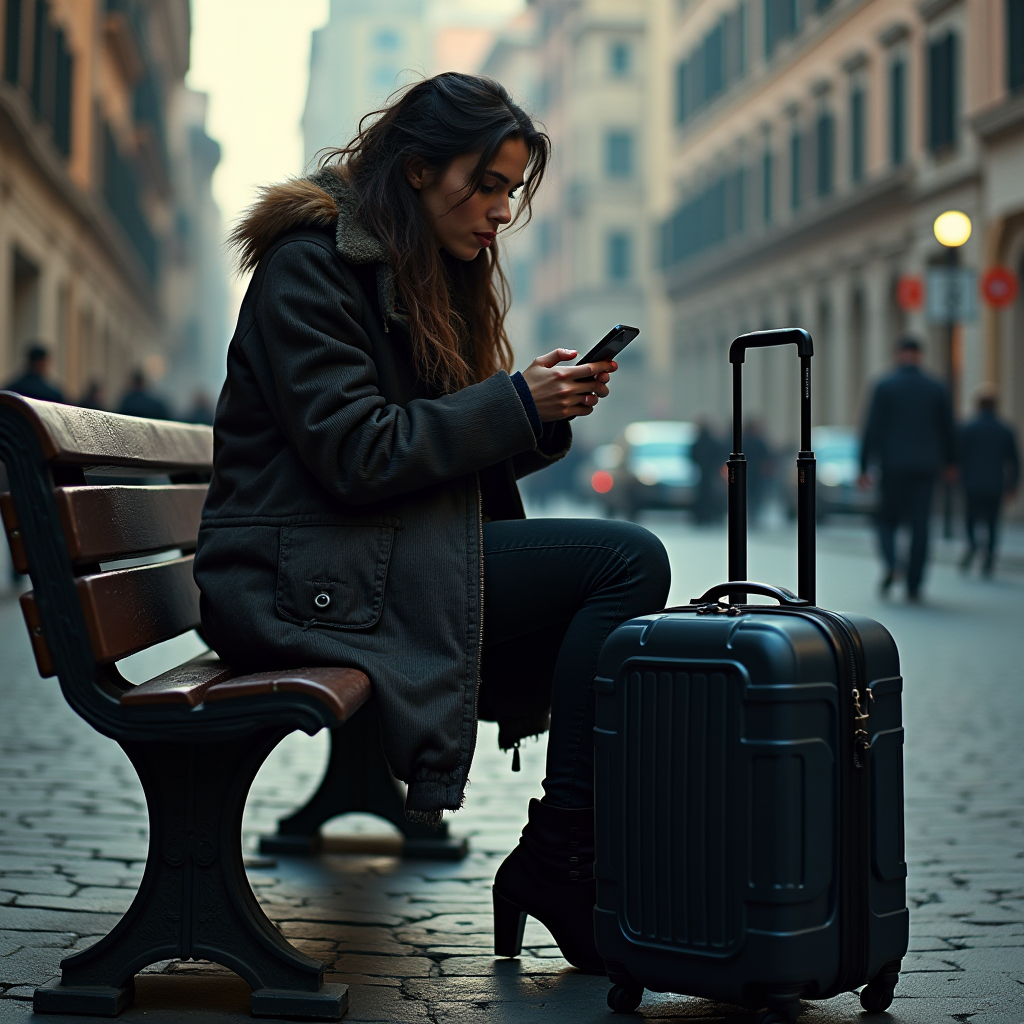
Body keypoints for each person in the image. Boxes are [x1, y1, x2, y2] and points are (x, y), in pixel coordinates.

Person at [192, 73, 671, 974]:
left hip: (346, 559)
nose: (498, 212)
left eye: (509, 192)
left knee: (615, 585)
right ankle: (561, 860)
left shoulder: (414, 272)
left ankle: (569, 854)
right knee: (623, 562)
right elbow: (359, 453)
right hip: (284, 581)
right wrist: (510, 404)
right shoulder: (313, 266)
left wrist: (538, 411)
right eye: (485, 185)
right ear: (416, 171)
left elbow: (419, 455)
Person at [859, 337, 956, 602]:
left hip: (893, 465)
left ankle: (892, 563)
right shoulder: (936, 387)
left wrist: (864, 466)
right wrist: (950, 463)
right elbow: (948, 428)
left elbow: (872, 428)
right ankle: (915, 582)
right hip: (926, 466)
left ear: (898, 354)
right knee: (921, 524)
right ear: (919, 355)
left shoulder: (885, 385)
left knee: (886, 520)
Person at [958, 383, 1019, 576]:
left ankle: (973, 545)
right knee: (992, 523)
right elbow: (1015, 460)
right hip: (995, 483)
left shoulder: (968, 428)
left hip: (972, 483)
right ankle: (989, 557)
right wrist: (1013, 485)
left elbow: (959, 456)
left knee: (971, 519)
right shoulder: (1005, 429)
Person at [691, 420, 726, 524]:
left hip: (701, 472)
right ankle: (709, 516)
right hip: (710, 472)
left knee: (702, 495)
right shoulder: (712, 442)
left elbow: (693, 455)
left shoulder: (698, 442)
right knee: (710, 495)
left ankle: (701, 516)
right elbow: (719, 455)